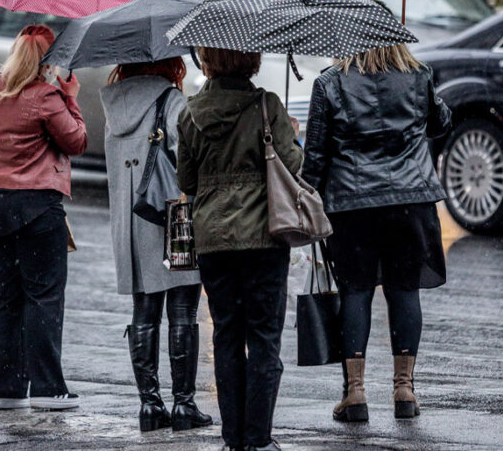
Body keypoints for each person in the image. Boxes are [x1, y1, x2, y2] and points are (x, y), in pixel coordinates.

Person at [301, 43, 452, 423]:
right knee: (404, 289)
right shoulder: (419, 76)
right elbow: (441, 124)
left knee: (356, 290)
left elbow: (316, 153)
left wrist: (305, 200)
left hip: (352, 204)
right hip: (410, 200)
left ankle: (355, 394)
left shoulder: (330, 83)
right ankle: (404, 389)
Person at [0, 25, 87, 411]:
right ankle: (47, 389)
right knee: (43, 296)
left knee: (4, 294)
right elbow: (76, 141)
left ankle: (1, 387)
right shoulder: (46, 96)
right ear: (47, 61)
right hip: (37, 208)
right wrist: (70, 98)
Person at [177, 48, 302, 451]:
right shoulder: (267, 105)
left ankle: (233, 437)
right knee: (264, 336)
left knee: (227, 335)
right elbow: (292, 164)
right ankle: (258, 438)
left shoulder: (190, 113)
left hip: (213, 239)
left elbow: (188, 180)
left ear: (208, 62)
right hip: (265, 235)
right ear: (252, 60)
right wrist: (291, 134)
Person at [100, 58, 213, 432]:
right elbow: (190, 163)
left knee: (144, 312)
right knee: (182, 310)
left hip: (132, 222)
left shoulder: (113, 106)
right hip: (173, 218)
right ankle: (184, 404)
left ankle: (150, 405)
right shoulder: (173, 102)